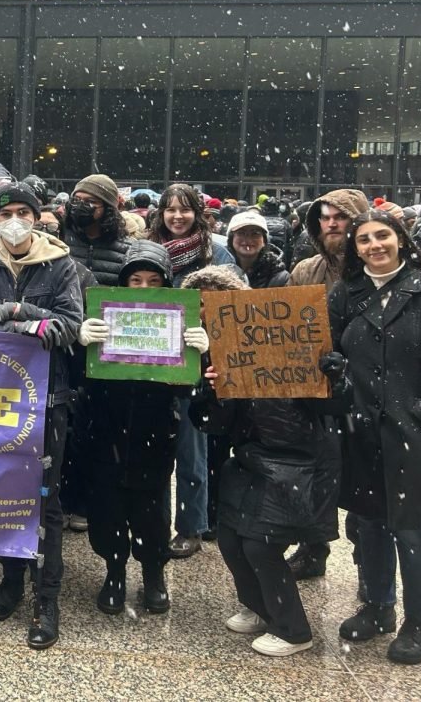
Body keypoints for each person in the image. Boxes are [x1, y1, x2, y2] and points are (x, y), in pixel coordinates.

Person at [327, 210, 421, 665]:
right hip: (361, 428)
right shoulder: (346, 294)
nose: (374, 245)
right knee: (369, 526)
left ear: (401, 240)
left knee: (411, 530)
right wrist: (334, 375)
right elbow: (326, 350)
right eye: (363, 240)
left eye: (382, 236)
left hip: (415, 432)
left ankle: (419, 622)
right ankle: (378, 606)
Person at [190, 266, 345, 658]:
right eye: (202, 303)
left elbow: (335, 405)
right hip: (249, 458)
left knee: (260, 544)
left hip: (298, 458)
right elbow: (211, 425)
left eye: (218, 299)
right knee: (229, 537)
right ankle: (259, 607)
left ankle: (293, 629)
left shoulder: (290, 343)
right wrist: (212, 392)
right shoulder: (211, 356)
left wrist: (333, 376)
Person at [0, 184, 83, 650]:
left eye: (22, 212)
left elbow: (69, 327)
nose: (13, 220)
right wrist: (29, 325)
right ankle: (10, 580)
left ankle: (46, 599)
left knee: (46, 504)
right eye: (5, 212)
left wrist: (10, 312)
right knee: (4, 495)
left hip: (48, 399)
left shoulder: (60, 264)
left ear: (36, 216)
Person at [75, 240, 206, 618]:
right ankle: (114, 571)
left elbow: (190, 390)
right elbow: (83, 377)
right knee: (108, 508)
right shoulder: (103, 317)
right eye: (136, 280)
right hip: (106, 427)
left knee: (151, 510)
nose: (144, 288)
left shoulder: (178, 324)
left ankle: (153, 574)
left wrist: (200, 353)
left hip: (155, 430)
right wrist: (81, 341)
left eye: (153, 281)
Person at [146, 183, 237, 560]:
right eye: (170, 210)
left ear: (197, 213)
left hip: (198, 364)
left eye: (184, 210)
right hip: (154, 362)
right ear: (161, 214)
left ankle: (190, 526)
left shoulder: (215, 252)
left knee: (192, 450)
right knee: (154, 451)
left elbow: (234, 308)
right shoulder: (151, 251)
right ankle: (152, 523)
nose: (177, 217)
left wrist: (210, 337)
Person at [284, 188, 368, 582]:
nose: (332, 223)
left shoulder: (376, 267)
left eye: (341, 216)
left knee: (366, 482)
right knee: (318, 473)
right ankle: (313, 548)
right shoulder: (305, 270)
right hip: (317, 388)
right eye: (325, 217)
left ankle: (367, 559)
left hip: (367, 388)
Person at [65, 174, 131, 286]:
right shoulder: (59, 241)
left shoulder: (128, 250)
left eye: (91, 201)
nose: (80, 205)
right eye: (76, 199)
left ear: (108, 208)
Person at [226, 209, 290, 289]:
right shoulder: (217, 269)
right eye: (241, 233)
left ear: (264, 241)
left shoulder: (279, 277)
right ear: (231, 238)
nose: (248, 239)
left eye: (255, 234)